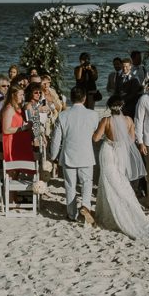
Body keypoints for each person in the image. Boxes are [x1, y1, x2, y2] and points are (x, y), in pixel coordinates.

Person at [91, 95, 149, 240]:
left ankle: (111, 213)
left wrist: (99, 133)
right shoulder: (129, 120)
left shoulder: (106, 120)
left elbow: (95, 138)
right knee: (120, 180)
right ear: (121, 107)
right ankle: (126, 209)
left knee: (108, 181)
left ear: (109, 107)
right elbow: (131, 140)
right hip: (121, 153)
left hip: (109, 152)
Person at [50, 87, 98, 222]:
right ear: (84, 99)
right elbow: (95, 133)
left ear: (71, 99)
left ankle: (72, 214)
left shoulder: (63, 115)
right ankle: (86, 205)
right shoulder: (93, 115)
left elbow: (56, 139)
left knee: (70, 185)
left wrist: (53, 156)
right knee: (87, 182)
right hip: (86, 154)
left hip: (68, 154)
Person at [0, 84, 34, 163]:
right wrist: (24, 128)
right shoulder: (9, 109)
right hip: (12, 142)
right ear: (13, 95)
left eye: (23, 95)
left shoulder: (18, 108)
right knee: (13, 169)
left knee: (25, 168)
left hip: (20, 141)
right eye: (20, 95)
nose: (23, 97)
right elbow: (6, 130)